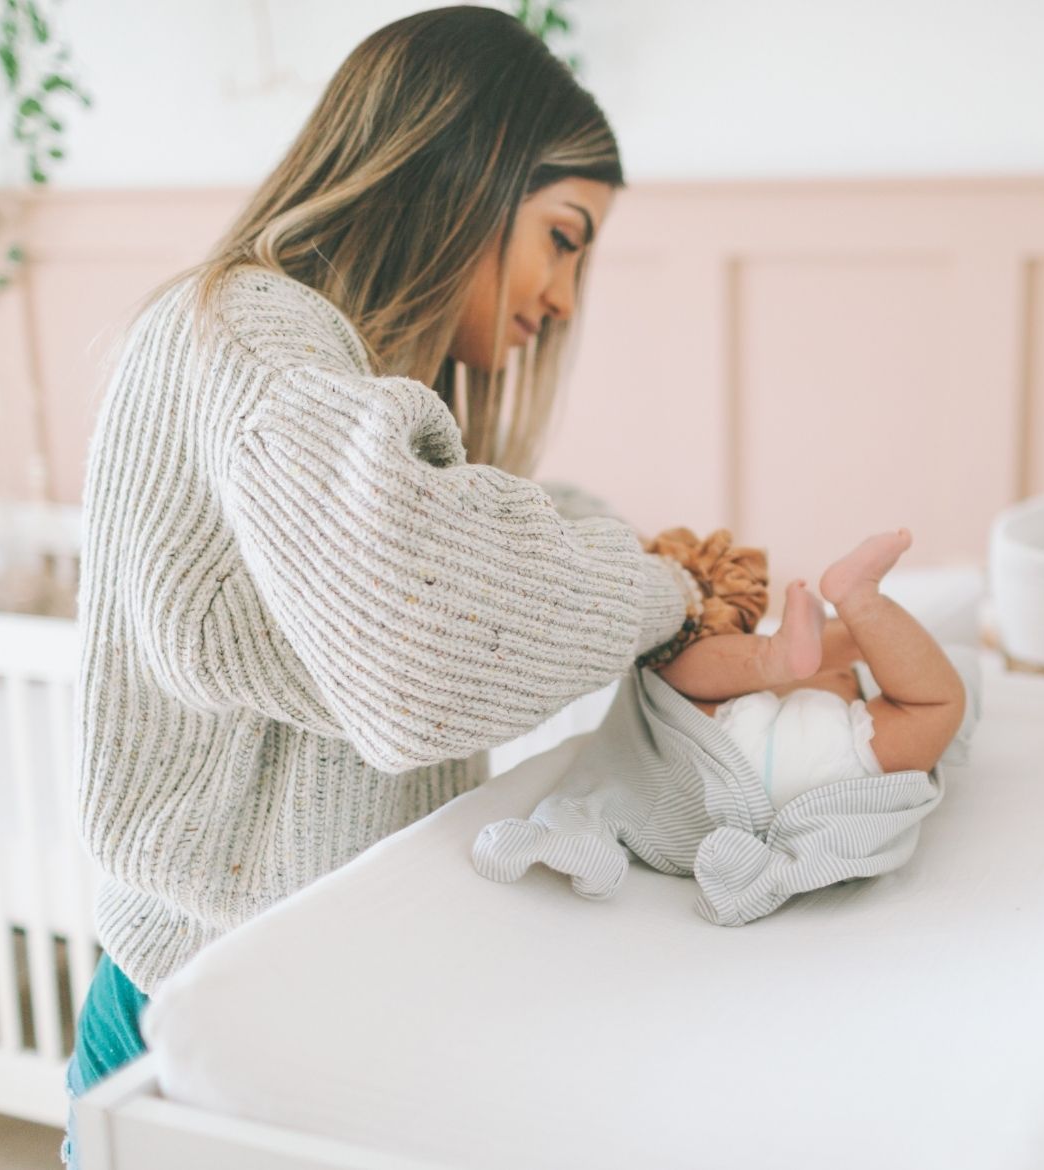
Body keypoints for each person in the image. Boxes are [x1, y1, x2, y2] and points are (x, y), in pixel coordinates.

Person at [60, 8, 759, 1164]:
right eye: (563, 236)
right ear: (464, 174)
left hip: (294, 996)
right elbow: (418, 645)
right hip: (206, 1021)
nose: (566, 298)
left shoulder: (320, 374)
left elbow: (470, 530)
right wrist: (664, 594)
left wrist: (650, 563)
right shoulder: (247, 341)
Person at [659, 528, 969, 808]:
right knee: (936, 703)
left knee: (676, 664)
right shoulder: (850, 703)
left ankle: (772, 655)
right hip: (829, 765)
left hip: (707, 741)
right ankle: (859, 600)